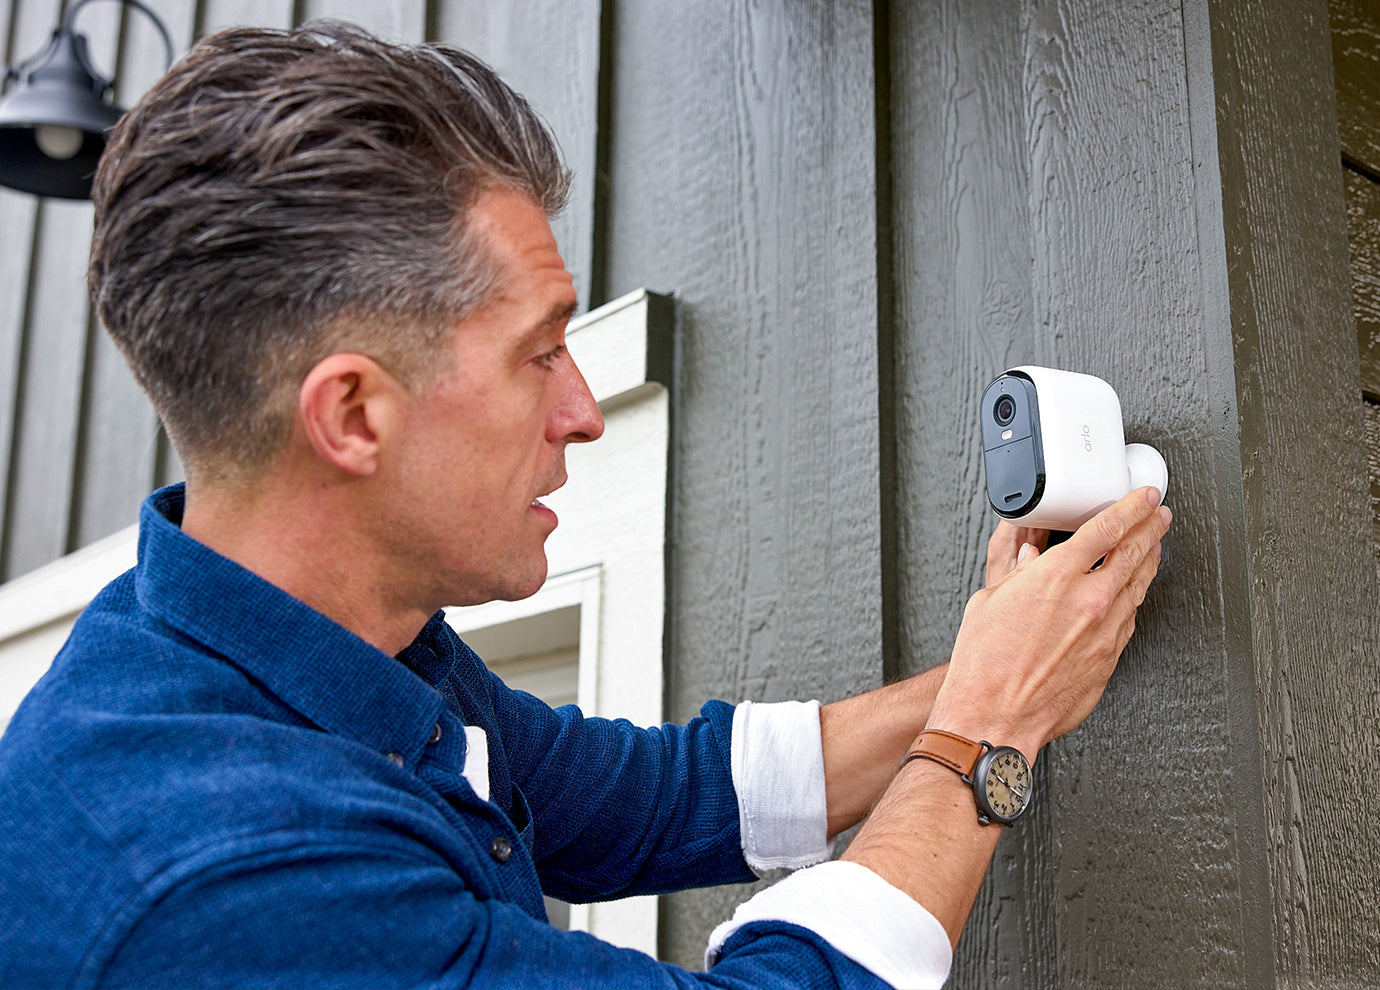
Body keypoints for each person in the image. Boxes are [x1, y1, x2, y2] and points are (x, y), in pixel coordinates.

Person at [0, 21, 1170, 989]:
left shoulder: (311, 643)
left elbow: (646, 799)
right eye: (538, 353)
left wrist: (999, 667)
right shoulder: (229, 879)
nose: (584, 410)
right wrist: (986, 742)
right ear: (352, 415)